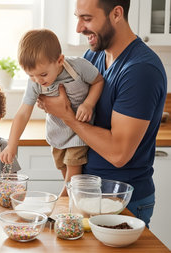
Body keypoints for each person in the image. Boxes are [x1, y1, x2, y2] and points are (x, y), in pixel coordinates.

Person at [38, 0, 167, 226]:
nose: (79, 28)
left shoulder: (140, 70)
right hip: (88, 197)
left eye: (87, 19)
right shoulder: (94, 57)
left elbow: (119, 154)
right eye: (78, 18)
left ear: (116, 14)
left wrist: (66, 115)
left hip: (122, 202)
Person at [0, 29, 104, 196]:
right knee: (64, 170)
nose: (38, 80)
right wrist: (12, 145)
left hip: (80, 131)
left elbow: (98, 81)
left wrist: (88, 104)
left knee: (73, 168)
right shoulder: (35, 82)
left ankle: (60, 201)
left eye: (43, 74)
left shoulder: (78, 66)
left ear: (60, 60)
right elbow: (23, 113)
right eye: (31, 76)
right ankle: (70, 200)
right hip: (57, 132)